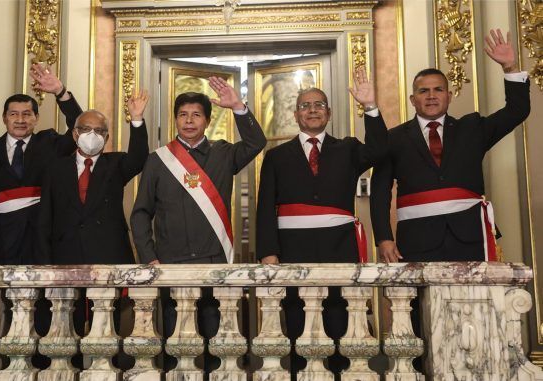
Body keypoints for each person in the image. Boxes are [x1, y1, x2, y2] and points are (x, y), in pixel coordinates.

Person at [255, 68, 388, 378]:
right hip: (292, 250)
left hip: (339, 249)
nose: (312, 110)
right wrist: (268, 253)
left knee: (340, 321)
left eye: (318, 105)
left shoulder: (350, 148)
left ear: (328, 113)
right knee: (297, 325)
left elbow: (381, 150)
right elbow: (265, 208)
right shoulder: (276, 156)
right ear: (295, 114)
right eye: (305, 105)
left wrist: (370, 106)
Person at [130, 77, 266, 372]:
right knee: (173, 341)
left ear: (207, 120)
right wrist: (149, 257)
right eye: (182, 114)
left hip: (214, 262)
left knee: (219, 342)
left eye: (196, 115)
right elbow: (140, 213)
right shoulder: (158, 160)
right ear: (175, 119)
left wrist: (239, 107)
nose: (188, 121)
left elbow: (257, 143)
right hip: (169, 264)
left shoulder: (224, 153)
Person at [371, 29, 531, 264]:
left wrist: (510, 67)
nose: (431, 96)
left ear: (449, 95)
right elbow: (379, 191)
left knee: (474, 302)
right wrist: (384, 238)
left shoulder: (472, 128)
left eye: (438, 90)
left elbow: (517, 111)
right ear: (412, 100)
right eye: (423, 91)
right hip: (416, 241)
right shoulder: (393, 138)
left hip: (469, 239)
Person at [38, 90, 149, 369]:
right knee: (67, 329)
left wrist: (136, 120)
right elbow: (45, 218)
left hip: (108, 255)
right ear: (75, 134)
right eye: (86, 129)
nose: (92, 135)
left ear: (107, 138)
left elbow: (139, 157)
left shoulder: (117, 164)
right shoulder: (56, 168)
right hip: (66, 257)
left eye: (99, 131)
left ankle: (108, 373)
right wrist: (43, 264)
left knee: (108, 328)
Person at [0, 64, 82, 265]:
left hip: (44, 231)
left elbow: (81, 126)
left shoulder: (50, 142)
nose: (20, 120)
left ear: (36, 118)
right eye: (14, 114)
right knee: (3, 293)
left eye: (27, 114)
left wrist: (60, 92)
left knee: (43, 292)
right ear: (4, 118)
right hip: (2, 234)